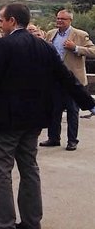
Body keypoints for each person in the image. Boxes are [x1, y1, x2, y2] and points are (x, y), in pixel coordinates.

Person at [0, 3, 95, 229]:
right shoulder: (45, 47)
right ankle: (31, 223)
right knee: (29, 169)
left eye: (2, 19)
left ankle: (5, 226)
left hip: (4, 121)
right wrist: (88, 103)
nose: (0, 23)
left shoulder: (4, 45)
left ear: (11, 21)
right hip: (34, 121)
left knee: (0, 172)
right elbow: (66, 77)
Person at [41, 9, 95, 151]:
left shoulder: (80, 35)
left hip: (73, 81)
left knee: (72, 111)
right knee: (54, 110)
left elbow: (93, 51)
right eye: (58, 18)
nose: (59, 21)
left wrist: (75, 48)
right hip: (55, 80)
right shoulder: (51, 34)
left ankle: (72, 140)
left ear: (70, 20)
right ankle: (53, 138)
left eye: (62, 19)